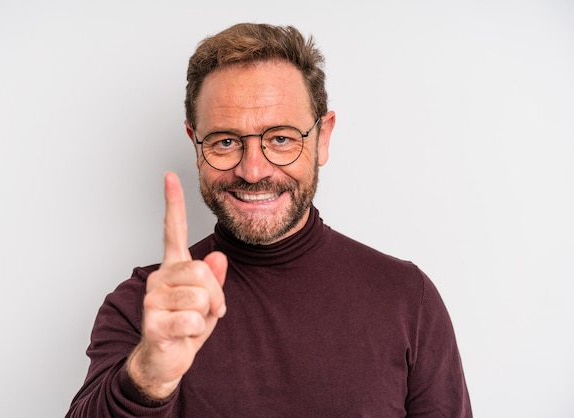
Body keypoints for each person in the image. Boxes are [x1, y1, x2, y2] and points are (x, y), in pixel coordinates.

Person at [66, 23, 472, 417]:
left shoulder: (407, 299)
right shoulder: (145, 306)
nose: (254, 170)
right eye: (225, 141)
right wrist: (148, 378)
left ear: (323, 137)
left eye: (280, 138)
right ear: (195, 142)